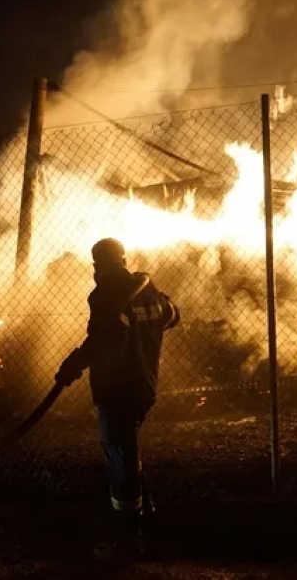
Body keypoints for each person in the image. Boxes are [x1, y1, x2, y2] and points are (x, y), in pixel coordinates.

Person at [55, 238, 180, 560]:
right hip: (145, 387)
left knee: (120, 457)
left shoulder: (106, 294)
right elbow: (172, 316)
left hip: (117, 389)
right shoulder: (148, 290)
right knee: (128, 449)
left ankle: (127, 541)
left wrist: (71, 366)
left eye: (96, 266)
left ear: (99, 265)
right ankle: (146, 513)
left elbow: (101, 339)